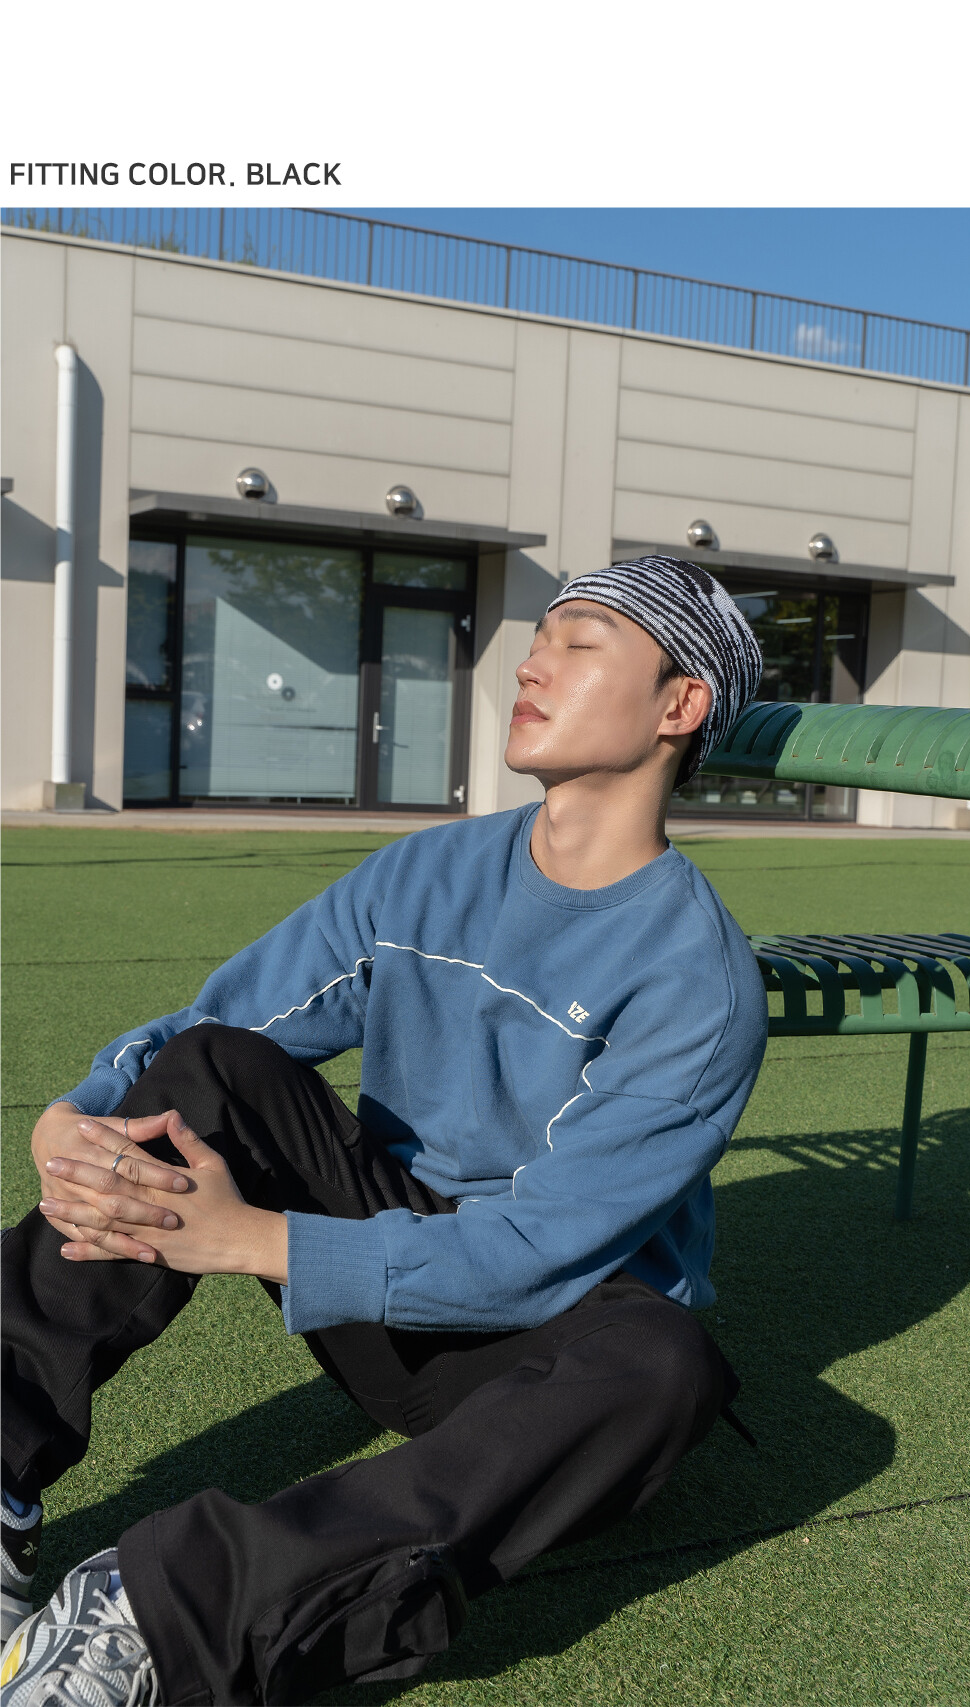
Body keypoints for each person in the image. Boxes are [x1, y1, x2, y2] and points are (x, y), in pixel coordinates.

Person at [1, 555, 767, 1707]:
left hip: (532, 1356)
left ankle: (156, 1621)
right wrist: (82, 1115)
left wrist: (255, 1241)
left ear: (679, 704)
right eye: (537, 638)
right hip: (381, 1284)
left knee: (664, 1363)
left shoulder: (697, 978)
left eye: (579, 642)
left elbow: (537, 1252)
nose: (531, 664)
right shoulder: (429, 872)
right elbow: (228, 1024)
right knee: (211, 1071)